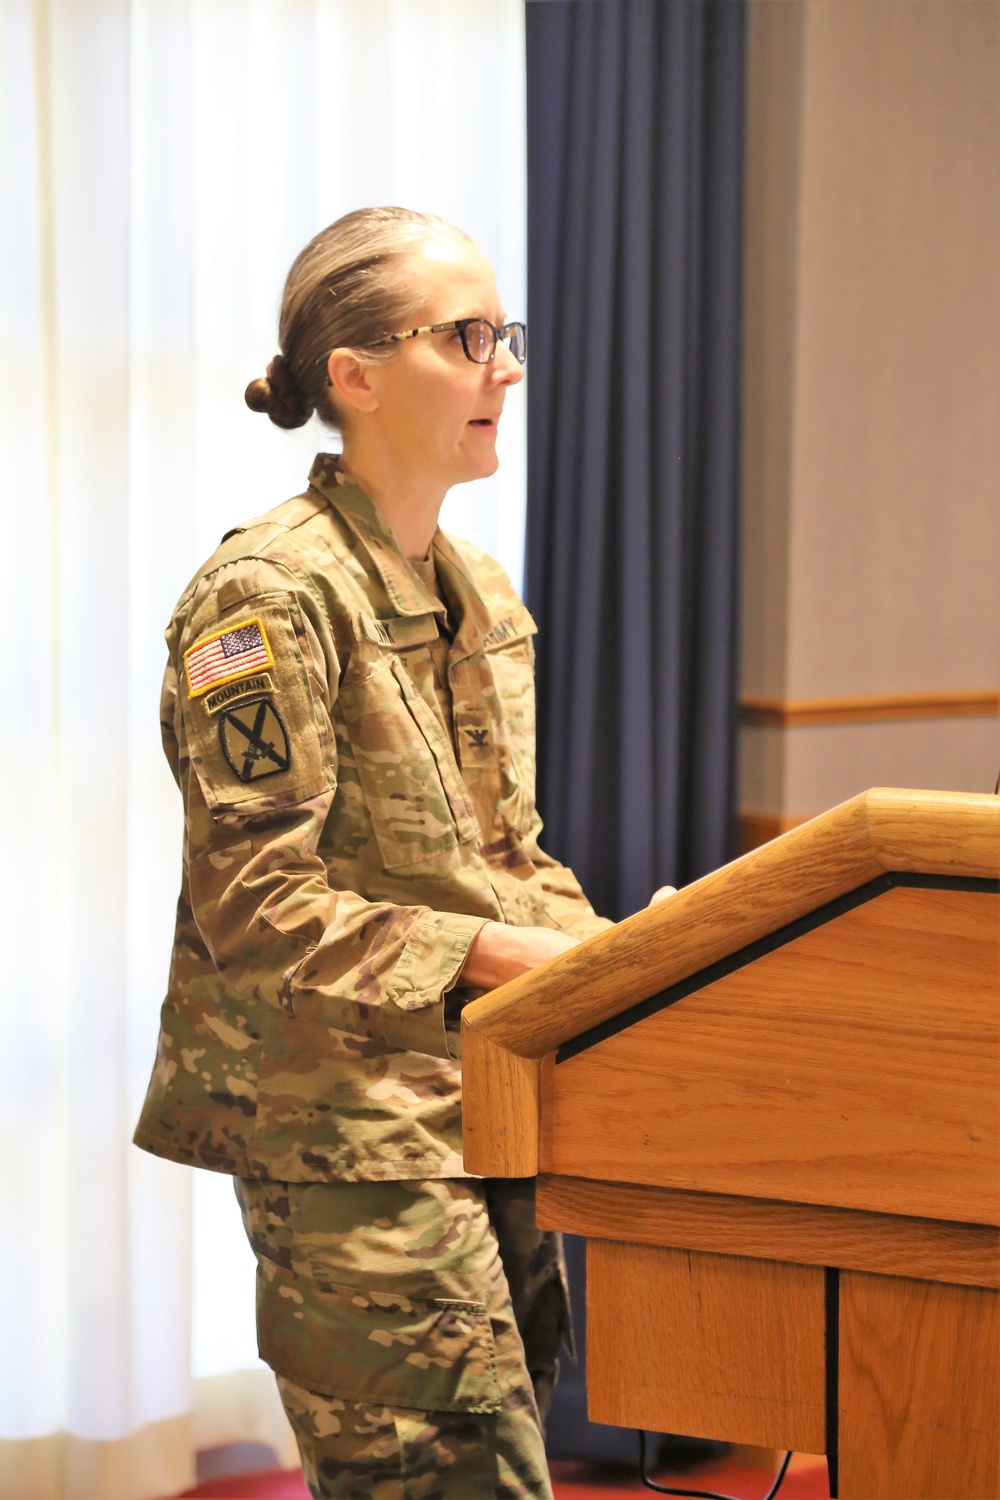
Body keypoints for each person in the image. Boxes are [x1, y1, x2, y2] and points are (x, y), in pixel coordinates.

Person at [134, 206, 667, 1499]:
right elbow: (259, 907)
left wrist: (641, 963)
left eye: (509, 334)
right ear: (355, 376)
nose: (508, 367)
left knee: (512, 1433)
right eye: (469, 336)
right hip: (343, 1140)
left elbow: (505, 857)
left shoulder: (478, 589)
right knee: (450, 1480)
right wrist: (499, 953)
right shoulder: (265, 601)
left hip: (484, 1097)